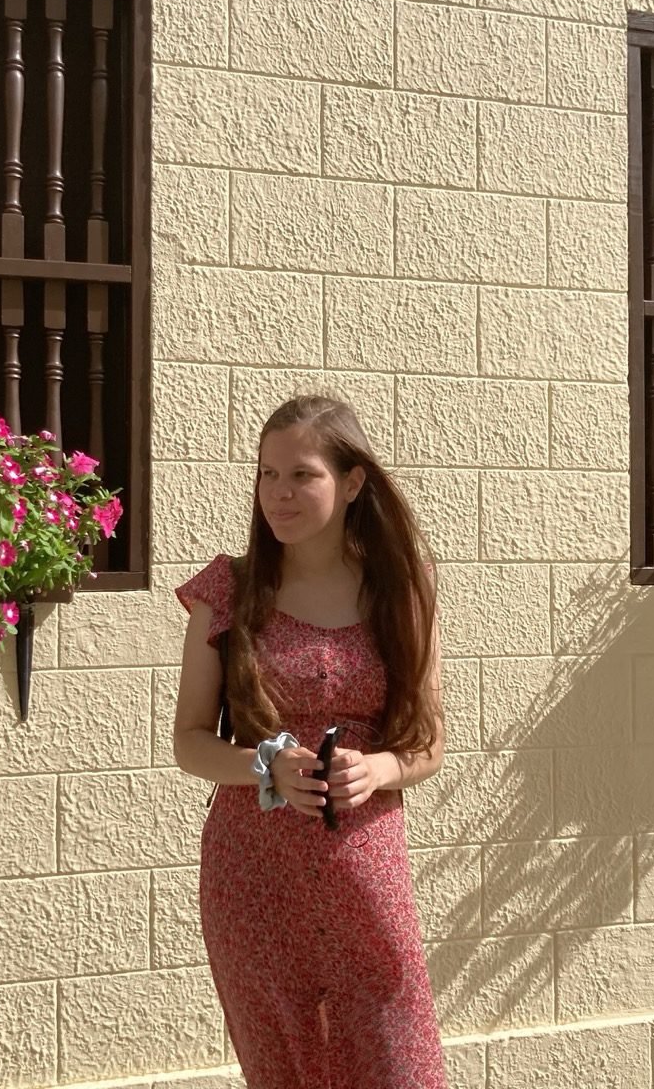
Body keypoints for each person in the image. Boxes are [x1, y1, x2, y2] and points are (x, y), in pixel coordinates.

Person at [173, 394, 448, 1089]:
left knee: (398, 1065)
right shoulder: (227, 590)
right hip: (251, 872)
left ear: (352, 483)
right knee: (286, 1072)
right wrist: (265, 764)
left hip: (365, 867)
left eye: (302, 475)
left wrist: (377, 766)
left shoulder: (401, 591)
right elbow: (189, 743)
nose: (279, 494)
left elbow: (428, 743)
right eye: (268, 474)